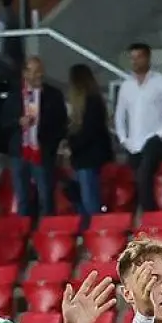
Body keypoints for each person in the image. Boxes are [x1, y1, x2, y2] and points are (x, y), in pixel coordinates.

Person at [114, 43, 162, 214]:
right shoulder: (126, 86)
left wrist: (160, 134)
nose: (135, 61)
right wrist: (123, 138)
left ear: (148, 58)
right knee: (138, 180)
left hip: (155, 140)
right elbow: (119, 115)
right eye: (132, 58)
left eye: (139, 57)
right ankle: (144, 217)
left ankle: (149, 216)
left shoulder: (161, 82)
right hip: (133, 143)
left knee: (144, 176)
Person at [1, 57, 66, 221]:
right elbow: (4, 121)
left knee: (46, 197)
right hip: (19, 153)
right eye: (34, 71)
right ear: (25, 73)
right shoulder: (15, 95)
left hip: (42, 152)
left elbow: (61, 123)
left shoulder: (53, 95)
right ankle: (24, 236)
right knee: (22, 198)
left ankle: (47, 233)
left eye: (40, 70)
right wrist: (18, 122)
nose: (39, 74)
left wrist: (52, 146)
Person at [66, 64, 114, 229]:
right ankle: (87, 232)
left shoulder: (92, 103)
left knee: (89, 201)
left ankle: (97, 232)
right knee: (80, 199)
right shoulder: (88, 104)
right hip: (82, 159)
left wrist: (70, 146)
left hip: (89, 159)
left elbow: (89, 133)